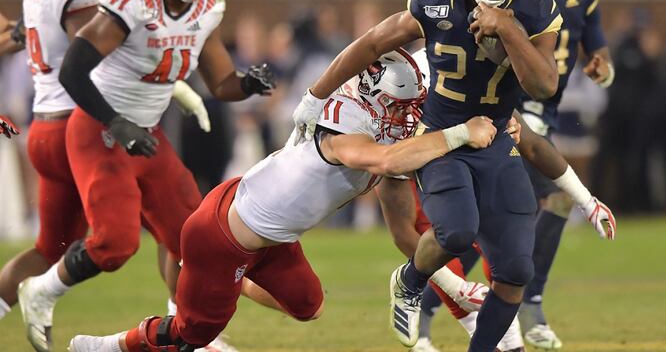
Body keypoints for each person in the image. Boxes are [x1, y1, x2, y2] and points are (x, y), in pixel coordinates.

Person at [293, 0, 613, 349]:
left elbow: (543, 84)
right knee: (456, 232)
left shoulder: (535, 8)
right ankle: (409, 280)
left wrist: (506, 27)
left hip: (498, 139)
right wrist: (315, 96)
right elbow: (370, 43)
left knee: (517, 270)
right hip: (442, 139)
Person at [67, 49, 497, 352]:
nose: (409, 117)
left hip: (270, 230)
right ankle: (109, 346)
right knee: (188, 337)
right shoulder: (346, 126)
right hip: (223, 236)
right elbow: (383, 160)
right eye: (401, 107)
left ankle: (227, 281)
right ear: (375, 97)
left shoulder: (381, 114)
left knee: (309, 307)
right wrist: (459, 135)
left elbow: (405, 228)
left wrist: (455, 284)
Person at [16, 0, 275, 352]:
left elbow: (220, 82)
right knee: (113, 245)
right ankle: (41, 290)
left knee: (195, 237)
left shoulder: (207, 6)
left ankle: (185, 329)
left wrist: (246, 84)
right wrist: (116, 121)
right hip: (100, 129)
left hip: (147, 135)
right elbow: (74, 69)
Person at [381, 49, 616, 352]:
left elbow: (531, 142)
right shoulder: (389, 122)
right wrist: (458, 287)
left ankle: (504, 342)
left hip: (485, 159)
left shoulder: (476, 80)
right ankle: (415, 295)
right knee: (455, 231)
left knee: (515, 269)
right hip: (424, 164)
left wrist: (586, 200)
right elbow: (401, 229)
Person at [513, 0, 617, 348]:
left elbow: (596, 43)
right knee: (525, 203)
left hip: (546, 111)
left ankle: (525, 298)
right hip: (508, 108)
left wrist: (602, 68)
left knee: (548, 201)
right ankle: (523, 301)